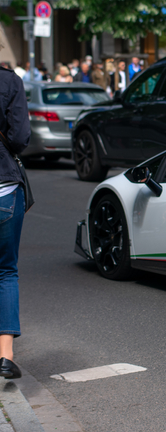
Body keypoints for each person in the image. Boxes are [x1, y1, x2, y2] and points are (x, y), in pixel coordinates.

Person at [0, 63, 31, 380]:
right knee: (6, 271)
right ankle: (6, 356)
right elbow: (20, 137)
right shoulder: (9, 81)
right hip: (4, 189)